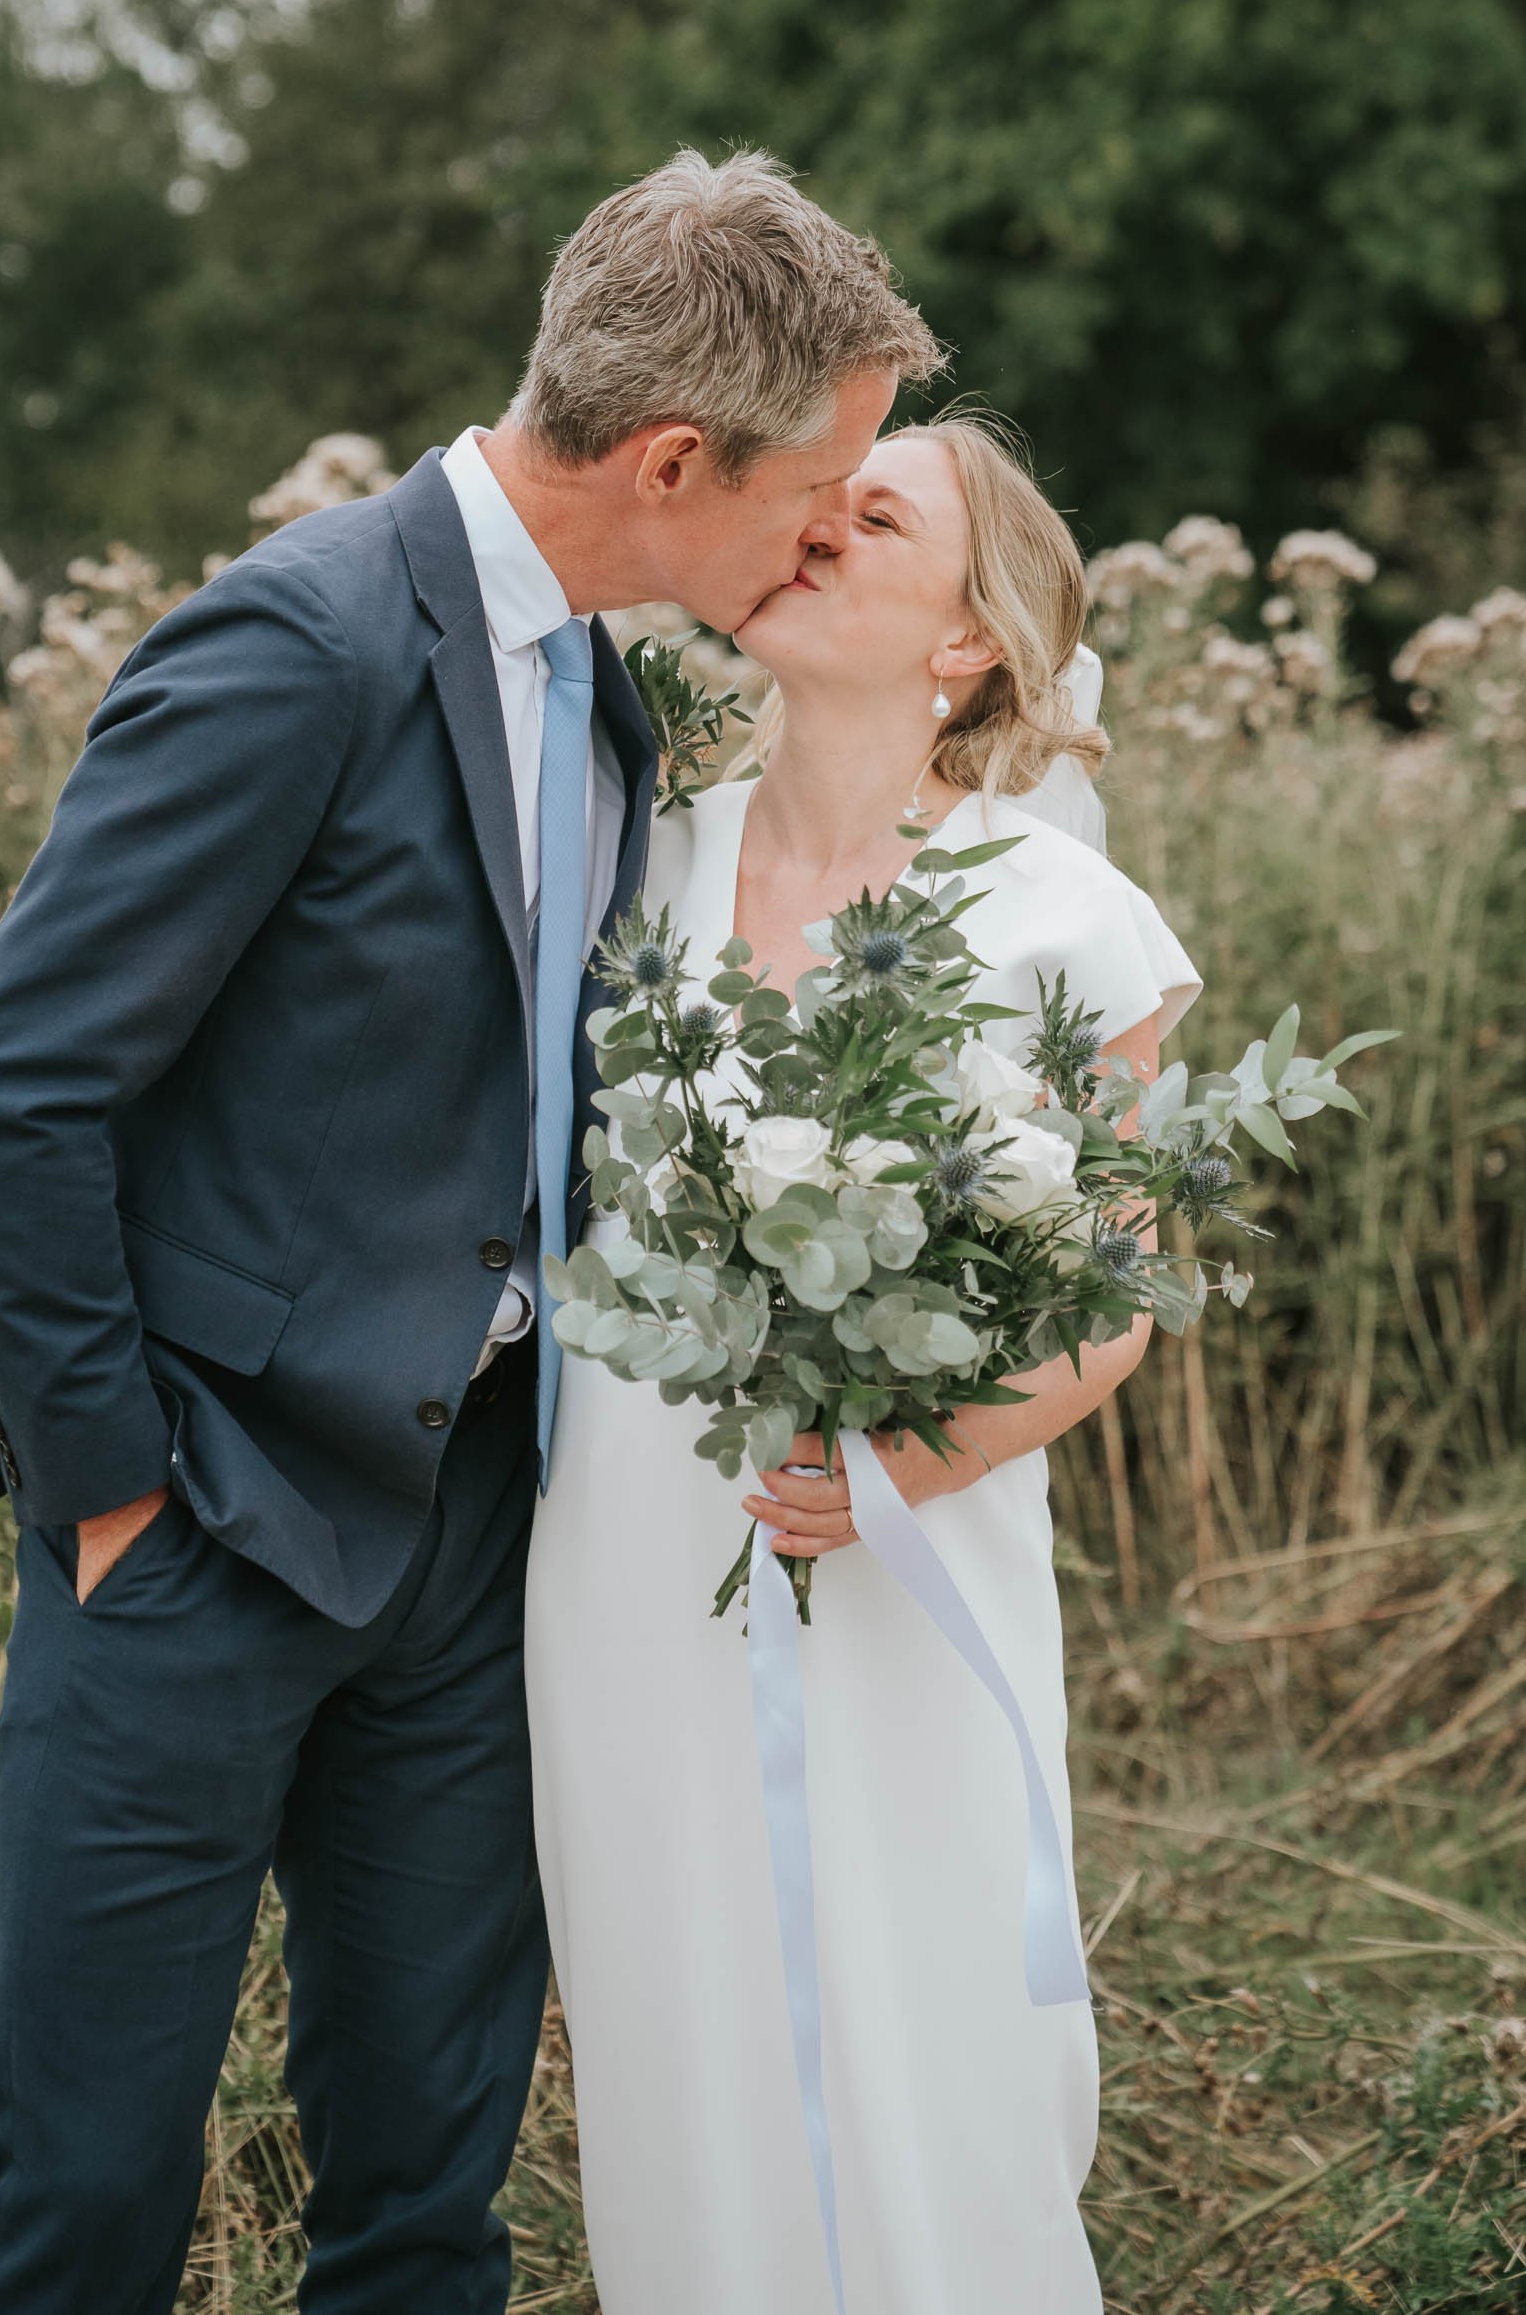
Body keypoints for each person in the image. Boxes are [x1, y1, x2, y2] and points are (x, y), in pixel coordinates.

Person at [0, 148, 943, 2312]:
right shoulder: (299, 641)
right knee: (87, 2201)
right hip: (196, 1527)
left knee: (420, 2194)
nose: (833, 532)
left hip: (475, 1545)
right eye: (814, 491)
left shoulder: (623, 701)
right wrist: (106, 1496)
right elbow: (12, 1089)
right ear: (675, 457)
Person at [525, 407, 1203, 2315]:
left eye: (874, 513)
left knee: (922, 2035)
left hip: (907, 1548)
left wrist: (906, 1471)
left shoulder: (1071, 925)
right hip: (629, 1551)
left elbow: (1121, 1292)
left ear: (968, 635)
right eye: (815, 496)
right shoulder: (637, 854)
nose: (815, 524)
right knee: (681, 2025)